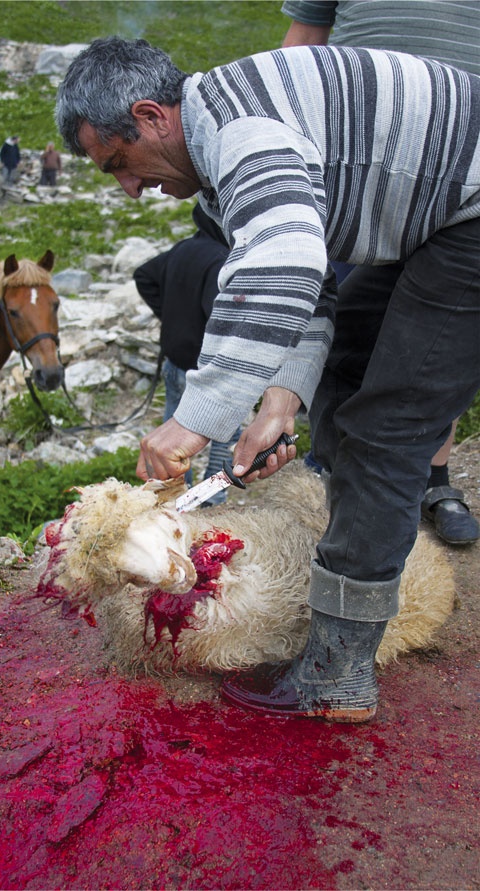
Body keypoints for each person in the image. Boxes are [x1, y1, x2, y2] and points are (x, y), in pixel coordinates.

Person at [55, 37, 480, 723]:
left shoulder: (240, 130)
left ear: (151, 115)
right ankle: (359, 577)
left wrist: (194, 419)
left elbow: (283, 263)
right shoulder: (225, 171)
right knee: (344, 379)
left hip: (468, 215)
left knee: (386, 427)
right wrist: (278, 405)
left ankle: (337, 671)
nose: (130, 190)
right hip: (434, 220)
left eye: (120, 164)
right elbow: (310, 292)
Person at [281, 0, 480, 546]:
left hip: (464, 168)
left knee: (430, 354)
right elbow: (303, 38)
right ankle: (334, 485)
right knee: (343, 337)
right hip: (358, 167)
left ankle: (431, 480)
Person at [133, 203, 241, 505]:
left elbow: (144, 275)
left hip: (174, 363)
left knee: (172, 432)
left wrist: (169, 315)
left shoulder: (182, 249)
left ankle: (174, 495)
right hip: (205, 373)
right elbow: (221, 319)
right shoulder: (222, 260)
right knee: (225, 435)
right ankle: (210, 501)